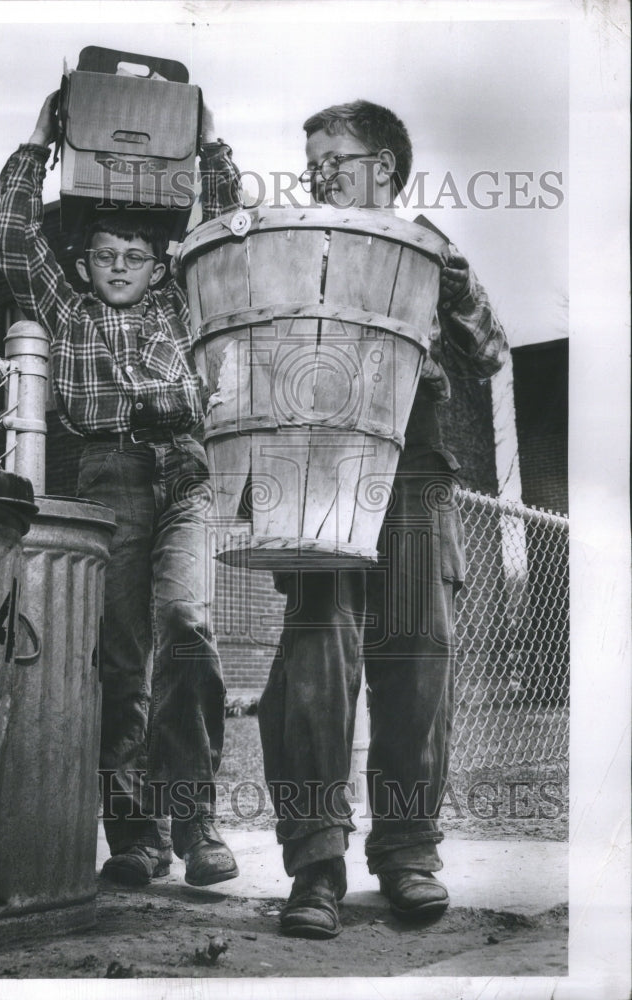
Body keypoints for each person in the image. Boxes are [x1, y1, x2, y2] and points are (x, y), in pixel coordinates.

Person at [256, 99, 509, 937]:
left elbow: (492, 350)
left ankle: (407, 854)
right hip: (322, 471)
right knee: (316, 660)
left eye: (336, 156)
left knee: (416, 663)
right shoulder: (296, 249)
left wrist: (454, 274)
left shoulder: (428, 247)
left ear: (385, 169)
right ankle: (315, 865)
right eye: (313, 159)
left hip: (416, 470)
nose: (319, 172)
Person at [0, 92, 243, 888]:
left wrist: (210, 145)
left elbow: (224, 229)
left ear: (158, 263)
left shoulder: (182, 298)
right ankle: (136, 837)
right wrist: (39, 141)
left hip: (183, 472)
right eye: (106, 256)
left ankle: (198, 820)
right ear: (85, 261)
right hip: (109, 475)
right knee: (121, 660)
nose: (120, 269)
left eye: (136, 256)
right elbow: (14, 236)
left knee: (187, 624)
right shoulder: (66, 307)